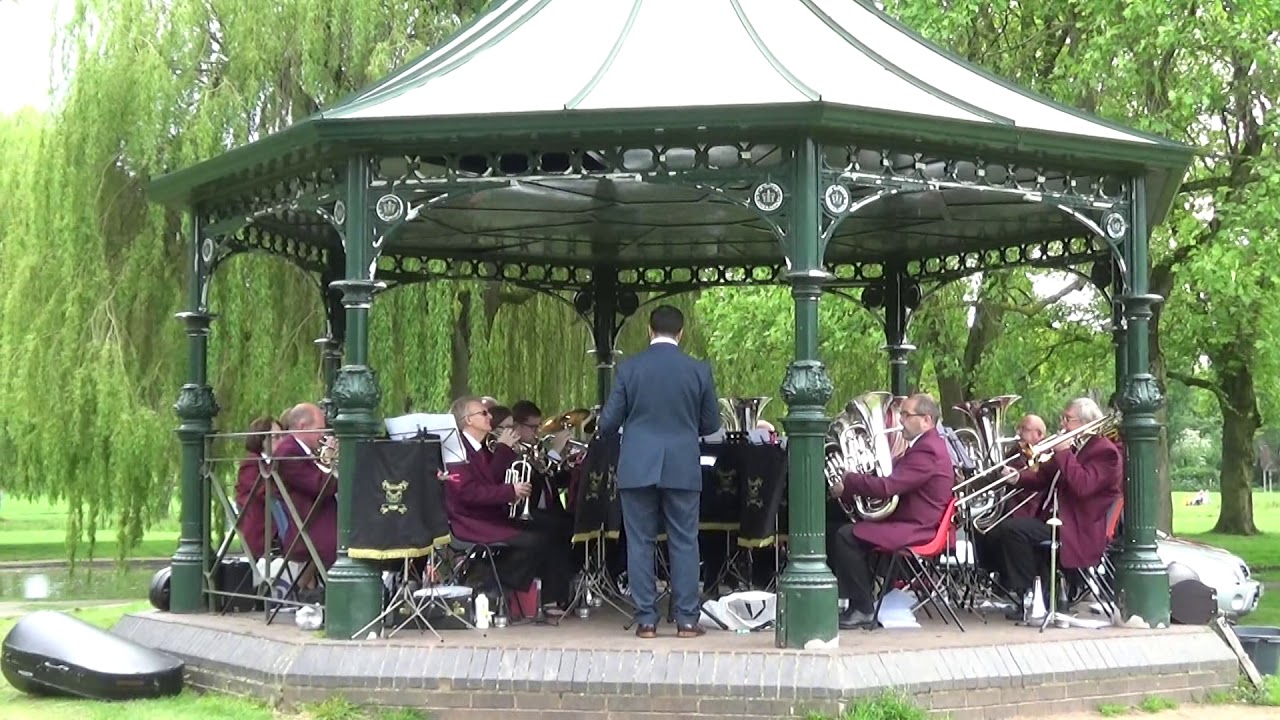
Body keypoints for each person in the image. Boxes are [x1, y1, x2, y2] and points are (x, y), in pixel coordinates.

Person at [596, 304, 720, 639]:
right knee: (684, 541)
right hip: (682, 465)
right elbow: (712, 424)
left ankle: (647, 620)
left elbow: (607, 423)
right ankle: (687, 620)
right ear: (682, 333)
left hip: (637, 465)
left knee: (640, 542)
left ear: (649, 330)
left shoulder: (629, 369)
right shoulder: (699, 370)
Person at [984, 397, 1122, 616]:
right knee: (999, 530)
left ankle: (1028, 592)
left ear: (1086, 422)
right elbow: (1042, 478)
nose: (1062, 424)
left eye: (1068, 419)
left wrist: (1064, 453)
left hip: (1078, 529)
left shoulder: (1105, 452)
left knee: (1013, 531)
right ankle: (1028, 591)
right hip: (1053, 521)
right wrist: (1016, 478)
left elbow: (1083, 486)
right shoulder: (1075, 448)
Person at [825, 393, 953, 629]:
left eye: (906, 415)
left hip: (916, 528)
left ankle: (862, 608)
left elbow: (890, 486)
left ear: (926, 420)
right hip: (908, 522)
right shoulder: (924, 447)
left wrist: (849, 480)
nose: (900, 420)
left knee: (846, 536)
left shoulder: (928, 451)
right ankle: (850, 599)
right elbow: (892, 479)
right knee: (835, 528)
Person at [442, 395, 573, 613]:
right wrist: (509, 488)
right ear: (468, 420)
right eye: (483, 413)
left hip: (488, 515)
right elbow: (467, 492)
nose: (489, 417)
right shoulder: (458, 449)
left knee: (552, 529)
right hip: (469, 521)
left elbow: (489, 481)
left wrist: (511, 490)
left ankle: (548, 597)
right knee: (535, 539)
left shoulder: (479, 447)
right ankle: (487, 581)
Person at [274, 403, 339, 570]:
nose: (323, 434)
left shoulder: (300, 449)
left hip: (314, 519)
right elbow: (320, 486)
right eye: (320, 429)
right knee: (357, 537)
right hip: (308, 527)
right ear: (302, 427)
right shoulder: (288, 452)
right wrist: (334, 464)